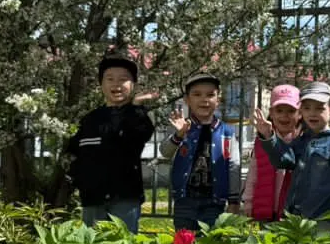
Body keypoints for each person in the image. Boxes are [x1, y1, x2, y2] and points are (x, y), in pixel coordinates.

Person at [66, 54, 155, 232]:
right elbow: (74, 153)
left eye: (124, 79)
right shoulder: (90, 120)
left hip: (125, 197)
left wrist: (135, 107)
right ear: (101, 84)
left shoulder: (139, 116)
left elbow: (139, 136)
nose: (117, 84)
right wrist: (81, 182)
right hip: (93, 198)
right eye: (110, 79)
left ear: (133, 85)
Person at [256, 81, 330, 221]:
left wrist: (308, 215)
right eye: (307, 108)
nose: (312, 113)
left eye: (319, 108)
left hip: (321, 220)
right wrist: (269, 136)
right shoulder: (303, 139)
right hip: (294, 218)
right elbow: (284, 161)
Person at [160, 73, 241, 231]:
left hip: (214, 202)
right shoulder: (181, 127)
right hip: (185, 201)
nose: (204, 99)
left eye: (210, 95)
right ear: (187, 99)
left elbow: (233, 166)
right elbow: (165, 152)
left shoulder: (227, 132)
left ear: (218, 100)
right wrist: (178, 135)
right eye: (197, 94)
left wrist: (233, 201)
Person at [243, 85, 299, 222]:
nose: (285, 116)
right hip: (264, 205)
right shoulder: (262, 140)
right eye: (279, 110)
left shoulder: (301, 141)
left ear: (300, 113)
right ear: (271, 113)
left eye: (291, 111)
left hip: (291, 209)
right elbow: (253, 172)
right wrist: (248, 201)